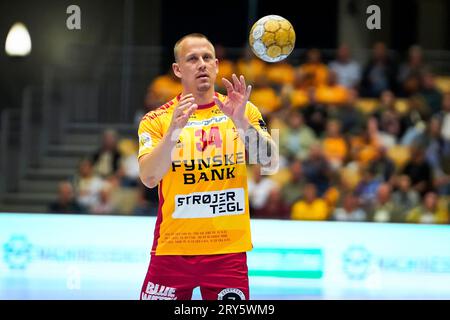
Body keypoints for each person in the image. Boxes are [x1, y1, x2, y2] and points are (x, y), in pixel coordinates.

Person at [137, 33, 278, 300]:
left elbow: (270, 161)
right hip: (172, 250)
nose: (202, 64)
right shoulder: (156, 120)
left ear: (216, 65)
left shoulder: (243, 110)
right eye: (192, 59)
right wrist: (174, 132)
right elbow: (149, 177)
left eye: (207, 58)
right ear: (178, 69)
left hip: (228, 250)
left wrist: (242, 123)